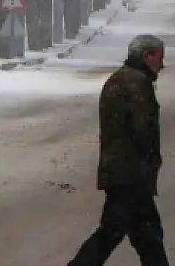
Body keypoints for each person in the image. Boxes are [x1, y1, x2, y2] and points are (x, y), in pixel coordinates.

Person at [67, 34, 168, 266]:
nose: (162, 65)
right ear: (147, 56)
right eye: (160, 58)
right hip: (130, 175)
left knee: (146, 236)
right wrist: (151, 161)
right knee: (115, 234)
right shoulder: (137, 84)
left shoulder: (119, 79)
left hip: (121, 172)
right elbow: (143, 130)